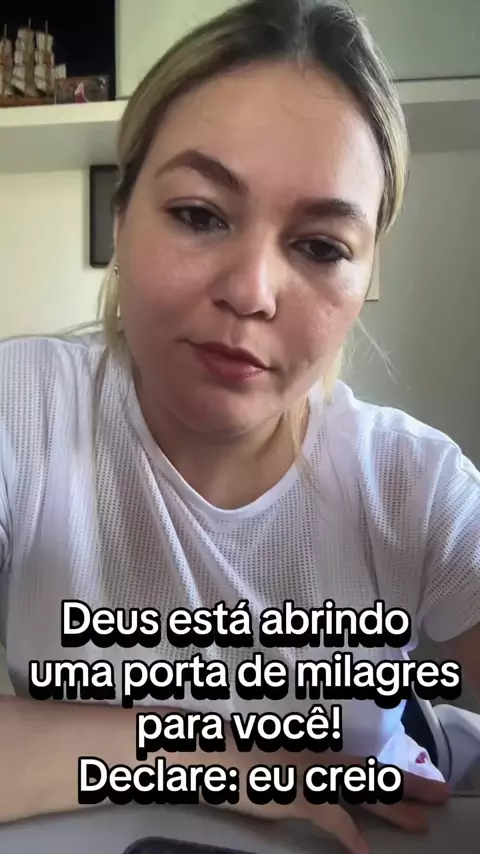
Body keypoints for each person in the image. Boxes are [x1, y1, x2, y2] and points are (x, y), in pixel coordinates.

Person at [0, 0, 479, 851]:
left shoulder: (417, 486)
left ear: (367, 274)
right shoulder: (21, 411)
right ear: (121, 217)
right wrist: (215, 755)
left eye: (321, 246)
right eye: (199, 214)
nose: (252, 292)